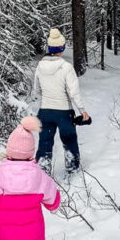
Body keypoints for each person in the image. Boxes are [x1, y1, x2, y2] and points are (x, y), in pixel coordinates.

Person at [33, 28, 90, 175]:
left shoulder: (40, 66)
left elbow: (37, 90)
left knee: (45, 143)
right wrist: (82, 110)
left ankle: (42, 172)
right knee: (69, 140)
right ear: (62, 47)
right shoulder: (66, 67)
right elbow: (73, 92)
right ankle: (72, 170)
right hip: (64, 113)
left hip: (45, 112)